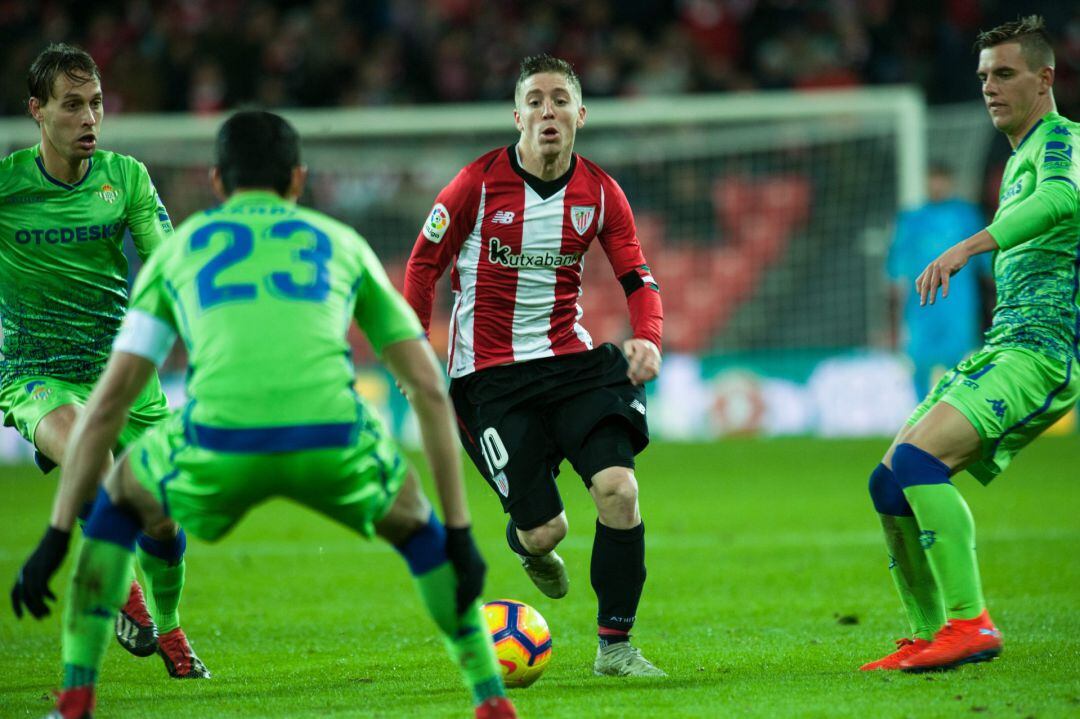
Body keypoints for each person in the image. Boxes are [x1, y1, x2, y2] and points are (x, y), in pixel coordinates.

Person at [15, 110, 517, 719]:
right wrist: (459, 534)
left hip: (218, 440)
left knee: (119, 504)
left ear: (217, 181)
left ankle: (74, 701)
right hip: (331, 439)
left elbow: (108, 405)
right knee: (420, 531)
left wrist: (55, 537)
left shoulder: (182, 252)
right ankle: (490, 700)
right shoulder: (341, 243)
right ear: (298, 179)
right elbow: (429, 390)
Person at [404, 54, 666, 677]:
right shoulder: (474, 184)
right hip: (489, 380)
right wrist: (413, 347)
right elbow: (421, 268)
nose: (548, 111)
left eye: (560, 99)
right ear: (517, 114)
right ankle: (527, 540)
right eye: (536, 100)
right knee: (546, 531)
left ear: (581, 113)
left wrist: (649, 337)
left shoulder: (601, 192)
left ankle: (616, 649)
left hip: (572, 365)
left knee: (619, 491)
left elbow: (639, 277)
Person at [861, 15, 1078, 673]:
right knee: (889, 479)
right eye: (984, 75)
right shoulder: (1016, 161)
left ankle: (969, 623)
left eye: (1005, 73)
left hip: (1040, 349)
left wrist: (969, 243)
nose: (989, 87)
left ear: (1045, 78)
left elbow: (1064, 201)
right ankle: (931, 632)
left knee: (921, 460)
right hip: (1002, 342)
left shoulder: (1060, 143)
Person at [3, 43, 207, 678]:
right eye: (72, 106)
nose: (89, 117)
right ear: (37, 111)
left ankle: (169, 629)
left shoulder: (128, 179)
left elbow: (168, 264)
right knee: (95, 456)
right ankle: (129, 596)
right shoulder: (9, 187)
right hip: (37, 373)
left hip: (120, 372)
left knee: (164, 521)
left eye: (95, 104)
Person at [887, 164, 990, 399]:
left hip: (958, 303)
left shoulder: (967, 215)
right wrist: (894, 303)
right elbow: (897, 265)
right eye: (932, 180)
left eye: (940, 180)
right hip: (921, 304)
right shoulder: (912, 218)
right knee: (919, 360)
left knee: (959, 359)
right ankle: (920, 413)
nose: (936, 185)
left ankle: (956, 412)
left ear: (949, 182)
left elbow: (986, 261)